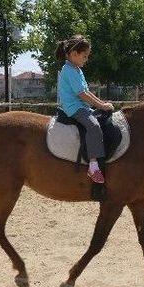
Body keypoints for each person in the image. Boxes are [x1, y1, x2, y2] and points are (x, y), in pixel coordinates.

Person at [56, 35, 114, 184]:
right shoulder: (69, 70)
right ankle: (93, 166)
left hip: (81, 105)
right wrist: (101, 105)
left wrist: (103, 104)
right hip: (73, 107)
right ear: (74, 54)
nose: (86, 59)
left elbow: (87, 92)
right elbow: (82, 94)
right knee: (93, 126)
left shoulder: (76, 69)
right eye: (85, 56)